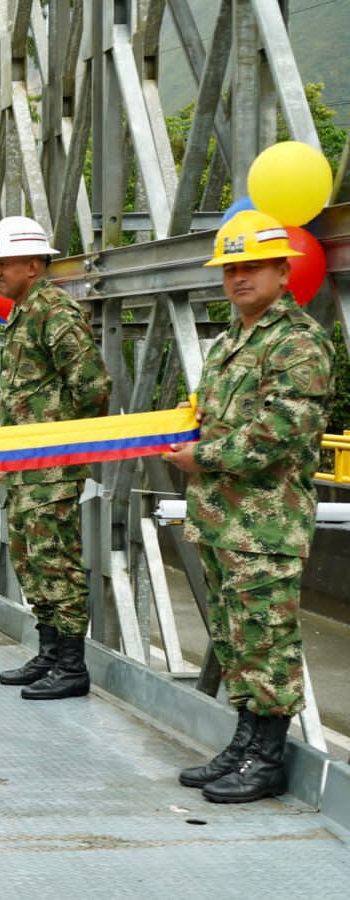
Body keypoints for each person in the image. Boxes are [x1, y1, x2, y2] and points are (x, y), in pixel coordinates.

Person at [163, 211, 333, 803]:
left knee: (267, 643)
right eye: (231, 268)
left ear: (284, 272)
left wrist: (201, 457)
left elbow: (279, 433)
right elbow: (211, 415)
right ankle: (244, 744)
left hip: (265, 524)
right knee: (237, 641)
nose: (239, 278)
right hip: (221, 520)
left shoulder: (298, 342)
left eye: (252, 267)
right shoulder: (231, 342)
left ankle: (268, 759)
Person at [0, 215, 113, 700]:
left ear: (34, 265)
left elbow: (93, 385)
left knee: (55, 560)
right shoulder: (24, 313)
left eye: (4, 263)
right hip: (26, 466)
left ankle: (72, 664)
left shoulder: (54, 312)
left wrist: (66, 444)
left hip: (51, 468)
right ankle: (50, 650)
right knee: (31, 559)